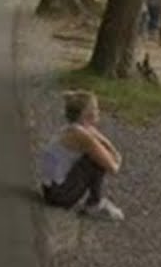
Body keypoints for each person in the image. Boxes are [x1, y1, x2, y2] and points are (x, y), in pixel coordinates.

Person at [39, 90, 125, 221]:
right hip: (57, 196)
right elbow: (113, 168)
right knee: (94, 161)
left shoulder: (75, 128)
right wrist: (116, 158)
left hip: (49, 189)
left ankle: (94, 202)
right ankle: (94, 205)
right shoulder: (82, 136)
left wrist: (112, 151)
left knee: (95, 155)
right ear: (86, 114)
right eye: (95, 108)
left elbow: (103, 141)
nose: (99, 111)